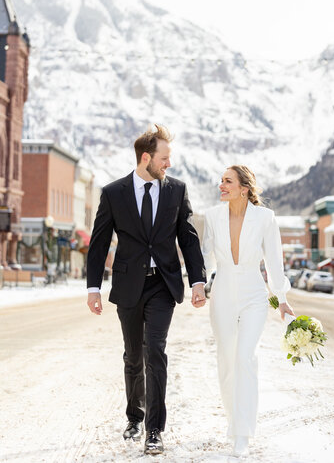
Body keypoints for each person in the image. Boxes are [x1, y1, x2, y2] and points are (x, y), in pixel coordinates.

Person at [86, 124, 207, 455]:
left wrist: (198, 280)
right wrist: (93, 287)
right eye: (164, 158)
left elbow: (189, 238)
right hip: (127, 284)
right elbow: (98, 244)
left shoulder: (176, 191)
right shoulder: (113, 193)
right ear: (146, 158)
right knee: (133, 355)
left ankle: (155, 429)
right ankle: (134, 417)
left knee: (155, 350)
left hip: (163, 285)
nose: (168, 164)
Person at [200, 165, 294, 457]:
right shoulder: (213, 217)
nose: (221, 185)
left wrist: (281, 298)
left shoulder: (265, 218)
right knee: (227, 360)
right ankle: (233, 420)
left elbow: (275, 261)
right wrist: (198, 285)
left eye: (227, 181)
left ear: (244, 187)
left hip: (254, 293)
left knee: (245, 357)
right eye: (221, 181)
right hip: (223, 292)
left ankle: (243, 432)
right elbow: (205, 257)